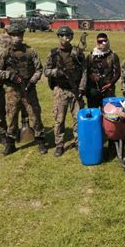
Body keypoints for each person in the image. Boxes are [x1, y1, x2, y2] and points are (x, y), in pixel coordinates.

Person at [0, 22, 46, 156]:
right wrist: (10, 75)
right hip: (12, 90)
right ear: (10, 36)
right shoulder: (5, 53)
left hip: (28, 88)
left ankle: (40, 141)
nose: (17, 38)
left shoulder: (30, 51)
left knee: (35, 114)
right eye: (14, 35)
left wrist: (33, 80)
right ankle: (10, 144)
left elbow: (39, 69)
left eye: (19, 35)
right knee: (12, 116)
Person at [44, 26, 87, 157]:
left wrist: (81, 88)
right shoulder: (53, 53)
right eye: (62, 36)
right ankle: (59, 144)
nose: (65, 38)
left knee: (78, 118)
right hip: (61, 90)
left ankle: (78, 142)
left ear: (71, 37)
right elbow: (46, 71)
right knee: (59, 119)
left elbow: (84, 71)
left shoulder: (78, 53)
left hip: (75, 91)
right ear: (58, 37)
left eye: (68, 36)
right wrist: (56, 72)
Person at [85, 33, 120, 108]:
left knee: (108, 114)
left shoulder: (113, 56)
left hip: (108, 90)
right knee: (94, 114)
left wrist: (110, 83)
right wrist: (92, 78)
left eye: (104, 41)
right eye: (99, 42)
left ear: (107, 42)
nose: (101, 44)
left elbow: (118, 72)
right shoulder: (90, 56)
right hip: (93, 90)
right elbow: (86, 71)